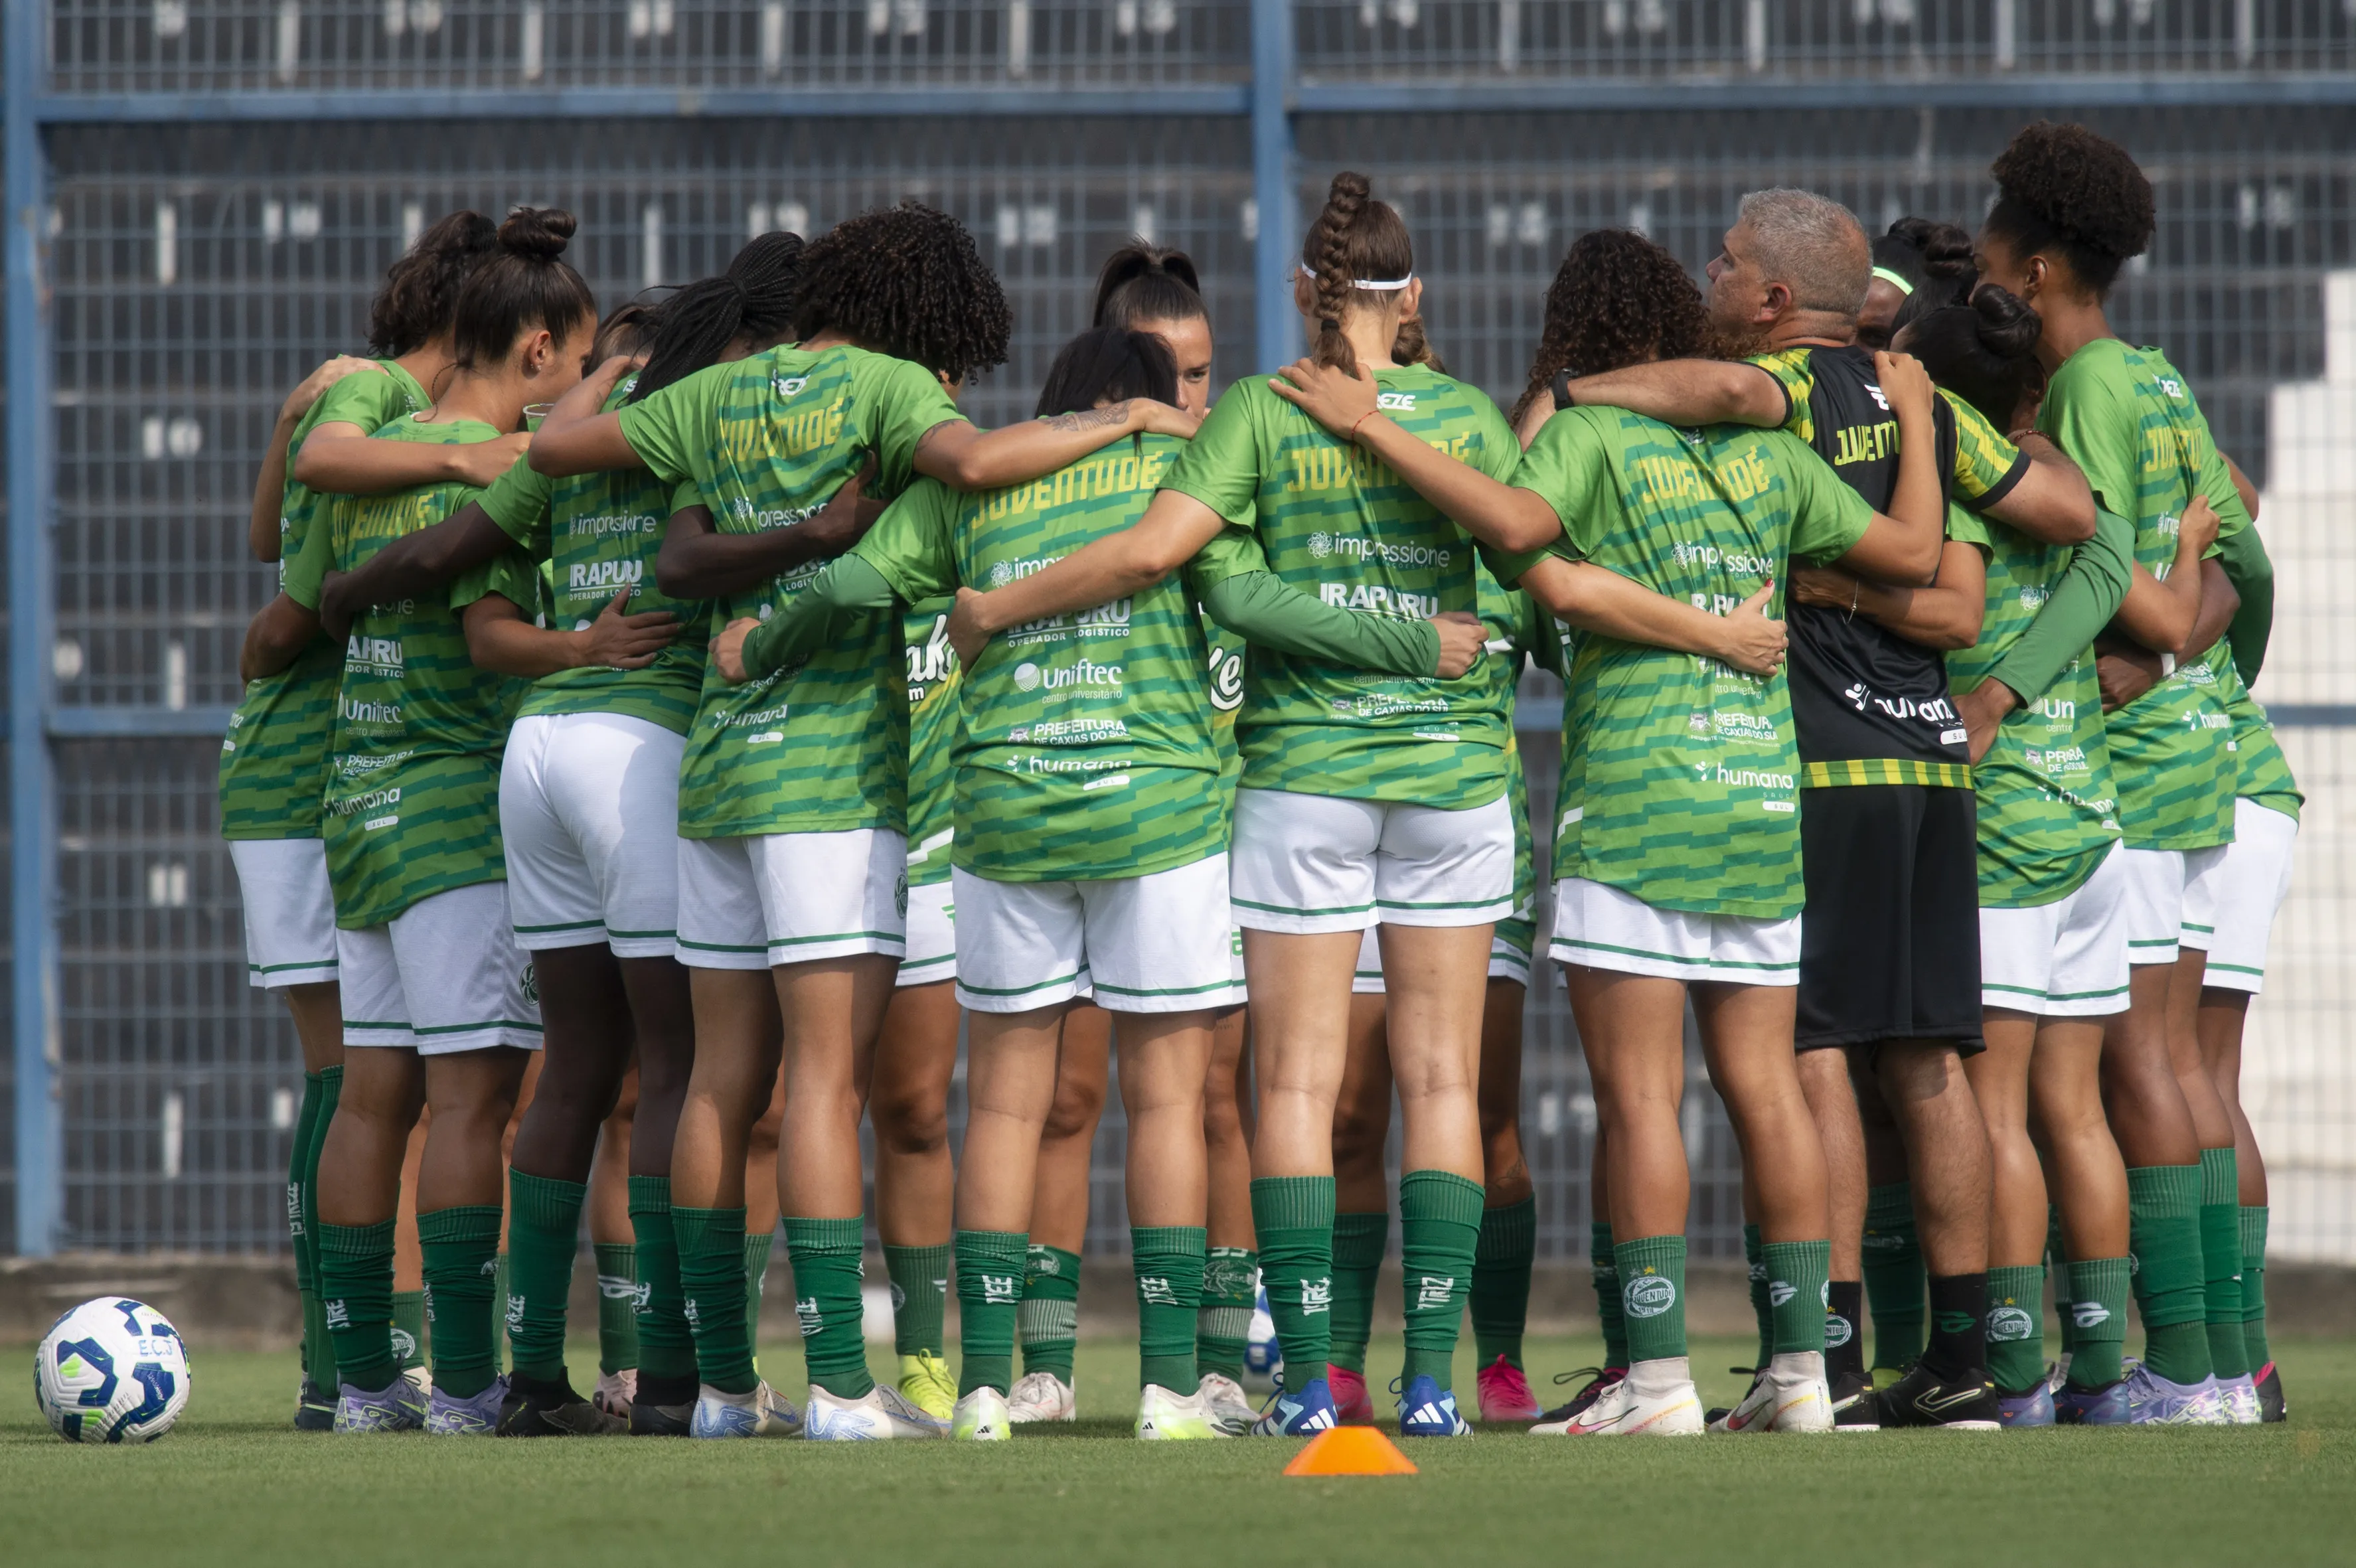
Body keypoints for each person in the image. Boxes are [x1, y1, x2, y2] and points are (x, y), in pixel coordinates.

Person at [947, 183, 1788, 1439]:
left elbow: (1200, 576)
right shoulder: (1463, 419)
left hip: (1303, 781)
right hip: (1454, 784)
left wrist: (1006, 610)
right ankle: (1438, 1382)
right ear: (1419, 296)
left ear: (1305, 293)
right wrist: (1424, 634)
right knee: (1445, 1076)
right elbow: (1527, 578)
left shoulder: (1253, 414)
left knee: (1295, 1083)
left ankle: (1308, 1383)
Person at [1271, 220, 1958, 1436]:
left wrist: (1410, 429)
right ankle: (1804, 1374)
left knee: (1638, 1103)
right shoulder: (1773, 453)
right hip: (1757, 795)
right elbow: (1916, 553)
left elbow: (1526, 551)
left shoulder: (1585, 434)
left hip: (1638, 796)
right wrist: (1912, 428)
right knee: (1770, 1091)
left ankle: (1655, 1382)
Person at [528, 200, 1198, 1441]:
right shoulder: (888, 387)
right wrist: (1127, 416)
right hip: (831, 780)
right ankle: (841, 1385)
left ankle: (722, 1389)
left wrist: (618, 382)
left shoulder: (714, 396)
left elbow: (556, 459)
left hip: (720, 770)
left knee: (724, 1081)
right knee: (826, 1082)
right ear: (914, 314)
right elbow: (985, 467)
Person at [715, 323, 1445, 1439]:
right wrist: (1408, 644)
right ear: (1150, 399)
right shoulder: (1181, 465)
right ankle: (1165, 1389)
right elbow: (1249, 604)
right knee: (1168, 1097)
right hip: (1156, 805)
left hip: (1007, 811)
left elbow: (855, 585)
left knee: (1002, 1101)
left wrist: (756, 645)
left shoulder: (982, 481)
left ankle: (985, 1392)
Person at [1549, 191, 2098, 1431]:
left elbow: (1726, 399)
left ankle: (1827, 1358)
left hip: (1825, 766)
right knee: (1932, 1063)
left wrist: (1583, 394)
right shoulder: (1926, 403)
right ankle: (1963, 1360)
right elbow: (2062, 523)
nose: (1714, 274)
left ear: (1777, 304)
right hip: (1932, 762)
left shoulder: (1779, 394)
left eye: (1730, 262)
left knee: (1813, 1063)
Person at [308, 238, 812, 1437]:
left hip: (533, 757)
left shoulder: (576, 434)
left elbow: (452, 553)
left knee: (577, 1064)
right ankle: (678, 1379)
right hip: (637, 749)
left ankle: (525, 1377)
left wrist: (342, 592)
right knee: (678, 1067)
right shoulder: (712, 420)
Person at [240, 206, 597, 1434]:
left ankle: (359, 1386)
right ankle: (466, 1386)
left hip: (358, 811)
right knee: (469, 1107)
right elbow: (496, 634)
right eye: (580, 366)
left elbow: (299, 587)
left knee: (370, 1095)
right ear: (537, 351)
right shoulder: (514, 475)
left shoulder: (370, 459)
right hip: (453, 820)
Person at [1973, 120, 2256, 1426]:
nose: (1976, 252)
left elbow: (2119, 583)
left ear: (2032, 269)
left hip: (2130, 769)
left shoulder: (2082, 390)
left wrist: (2146, 652)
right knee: (2185, 1071)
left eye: (1990, 234)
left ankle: (2182, 1370)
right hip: (2193, 755)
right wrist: (2181, 640)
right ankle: (2220, 1367)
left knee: (2127, 1068)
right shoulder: (2159, 379)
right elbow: (2230, 559)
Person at [1865, 281, 2140, 1425]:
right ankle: (2105, 1371)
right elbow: (2119, 565)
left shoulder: (1935, 494)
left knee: (1995, 1112)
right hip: (2092, 815)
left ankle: (2012, 1372)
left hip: (2011, 827)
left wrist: (1984, 697)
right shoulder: (2062, 488)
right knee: (2076, 1112)